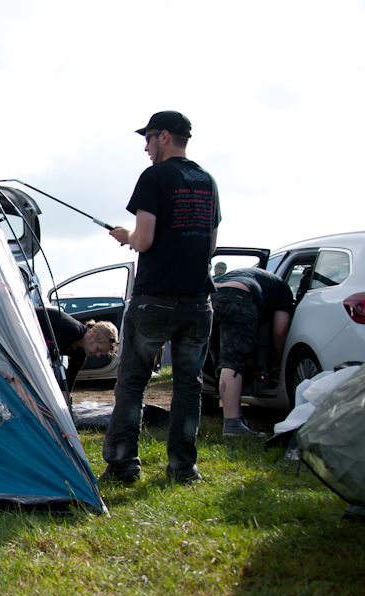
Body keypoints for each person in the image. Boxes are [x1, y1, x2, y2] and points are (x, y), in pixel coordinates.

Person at [100, 111, 220, 485]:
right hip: (198, 300)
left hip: (155, 298)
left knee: (132, 383)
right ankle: (183, 468)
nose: (146, 148)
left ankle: (123, 466)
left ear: (164, 136)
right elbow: (211, 246)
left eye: (148, 138)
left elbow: (145, 239)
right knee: (188, 386)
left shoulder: (154, 177)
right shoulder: (208, 181)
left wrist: (126, 236)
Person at [209, 267, 294, 436]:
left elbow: (234, 344)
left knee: (222, 358)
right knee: (232, 362)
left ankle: (231, 417)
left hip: (211, 295)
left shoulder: (257, 278)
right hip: (240, 296)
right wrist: (280, 363)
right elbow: (280, 332)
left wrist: (254, 368)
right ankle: (233, 425)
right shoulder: (283, 290)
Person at [35, 306, 118, 390]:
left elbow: (69, 380)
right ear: (91, 335)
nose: (98, 355)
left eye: (101, 353)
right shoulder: (73, 331)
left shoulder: (81, 355)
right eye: (98, 349)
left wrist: (65, 396)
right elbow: (48, 358)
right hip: (31, 320)